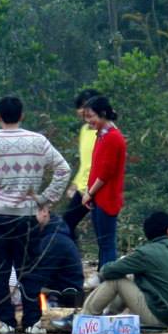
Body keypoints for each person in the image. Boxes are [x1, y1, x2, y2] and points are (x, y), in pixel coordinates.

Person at [0, 95, 72, 334]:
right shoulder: (38, 141)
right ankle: (31, 323)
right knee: (28, 270)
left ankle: (5, 322)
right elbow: (63, 169)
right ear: (22, 115)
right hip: (26, 216)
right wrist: (44, 198)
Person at [83, 211, 168, 331]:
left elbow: (108, 271)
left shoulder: (146, 252)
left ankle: (84, 319)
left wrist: (103, 273)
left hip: (160, 318)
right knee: (131, 278)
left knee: (117, 280)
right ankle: (109, 317)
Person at [81, 93, 126, 267]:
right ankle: (103, 276)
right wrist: (89, 192)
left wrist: (89, 193)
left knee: (107, 243)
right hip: (98, 197)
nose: (88, 121)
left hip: (107, 198)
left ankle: (109, 279)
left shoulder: (113, 137)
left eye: (91, 116)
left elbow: (106, 172)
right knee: (102, 242)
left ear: (103, 113)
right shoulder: (101, 135)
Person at [20, 216, 86, 322]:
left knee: (25, 289)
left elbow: (40, 275)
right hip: (60, 290)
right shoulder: (51, 236)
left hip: (64, 296)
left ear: (44, 213)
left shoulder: (53, 241)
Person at [62, 88, 100, 244]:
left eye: (85, 107)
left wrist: (91, 190)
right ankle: (73, 258)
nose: (82, 111)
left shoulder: (103, 130)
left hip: (97, 187)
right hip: (83, 187)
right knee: (67, 223)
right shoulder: (84, 130)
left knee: (101, 230)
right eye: (80, 107)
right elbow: (85, 163)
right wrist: (75, 184)